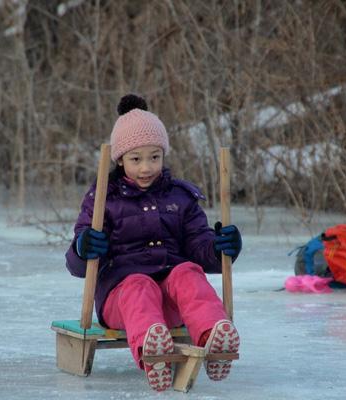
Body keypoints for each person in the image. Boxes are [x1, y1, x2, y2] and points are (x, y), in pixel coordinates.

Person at [65, 94, 242, 391]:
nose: (146, 167)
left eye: (154, 157)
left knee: (188, 272)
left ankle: (213, 336)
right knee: (138, 284)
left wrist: (219, 248)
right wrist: (84, 248)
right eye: (136, 159)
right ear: (120, 159)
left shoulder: (180, 197)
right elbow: (77, 266)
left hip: (169, 302)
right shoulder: (103, 199)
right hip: (122, 299)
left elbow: (200, 247)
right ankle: (152, 349)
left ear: (163, 155)